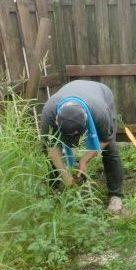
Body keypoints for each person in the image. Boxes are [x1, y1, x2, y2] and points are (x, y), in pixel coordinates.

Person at [40, 80, 124, 213]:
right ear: (57, 120)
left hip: (101, 93)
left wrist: (85, 160)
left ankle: (116, 196)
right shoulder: (49, 112)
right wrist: (65, 175)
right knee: (48, 150)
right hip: (75, 91)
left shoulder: (100, 112)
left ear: (86, 119)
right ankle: (54, 190)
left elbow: (104, 139)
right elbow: (52, 148)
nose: (74, 142)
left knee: (110, 149)